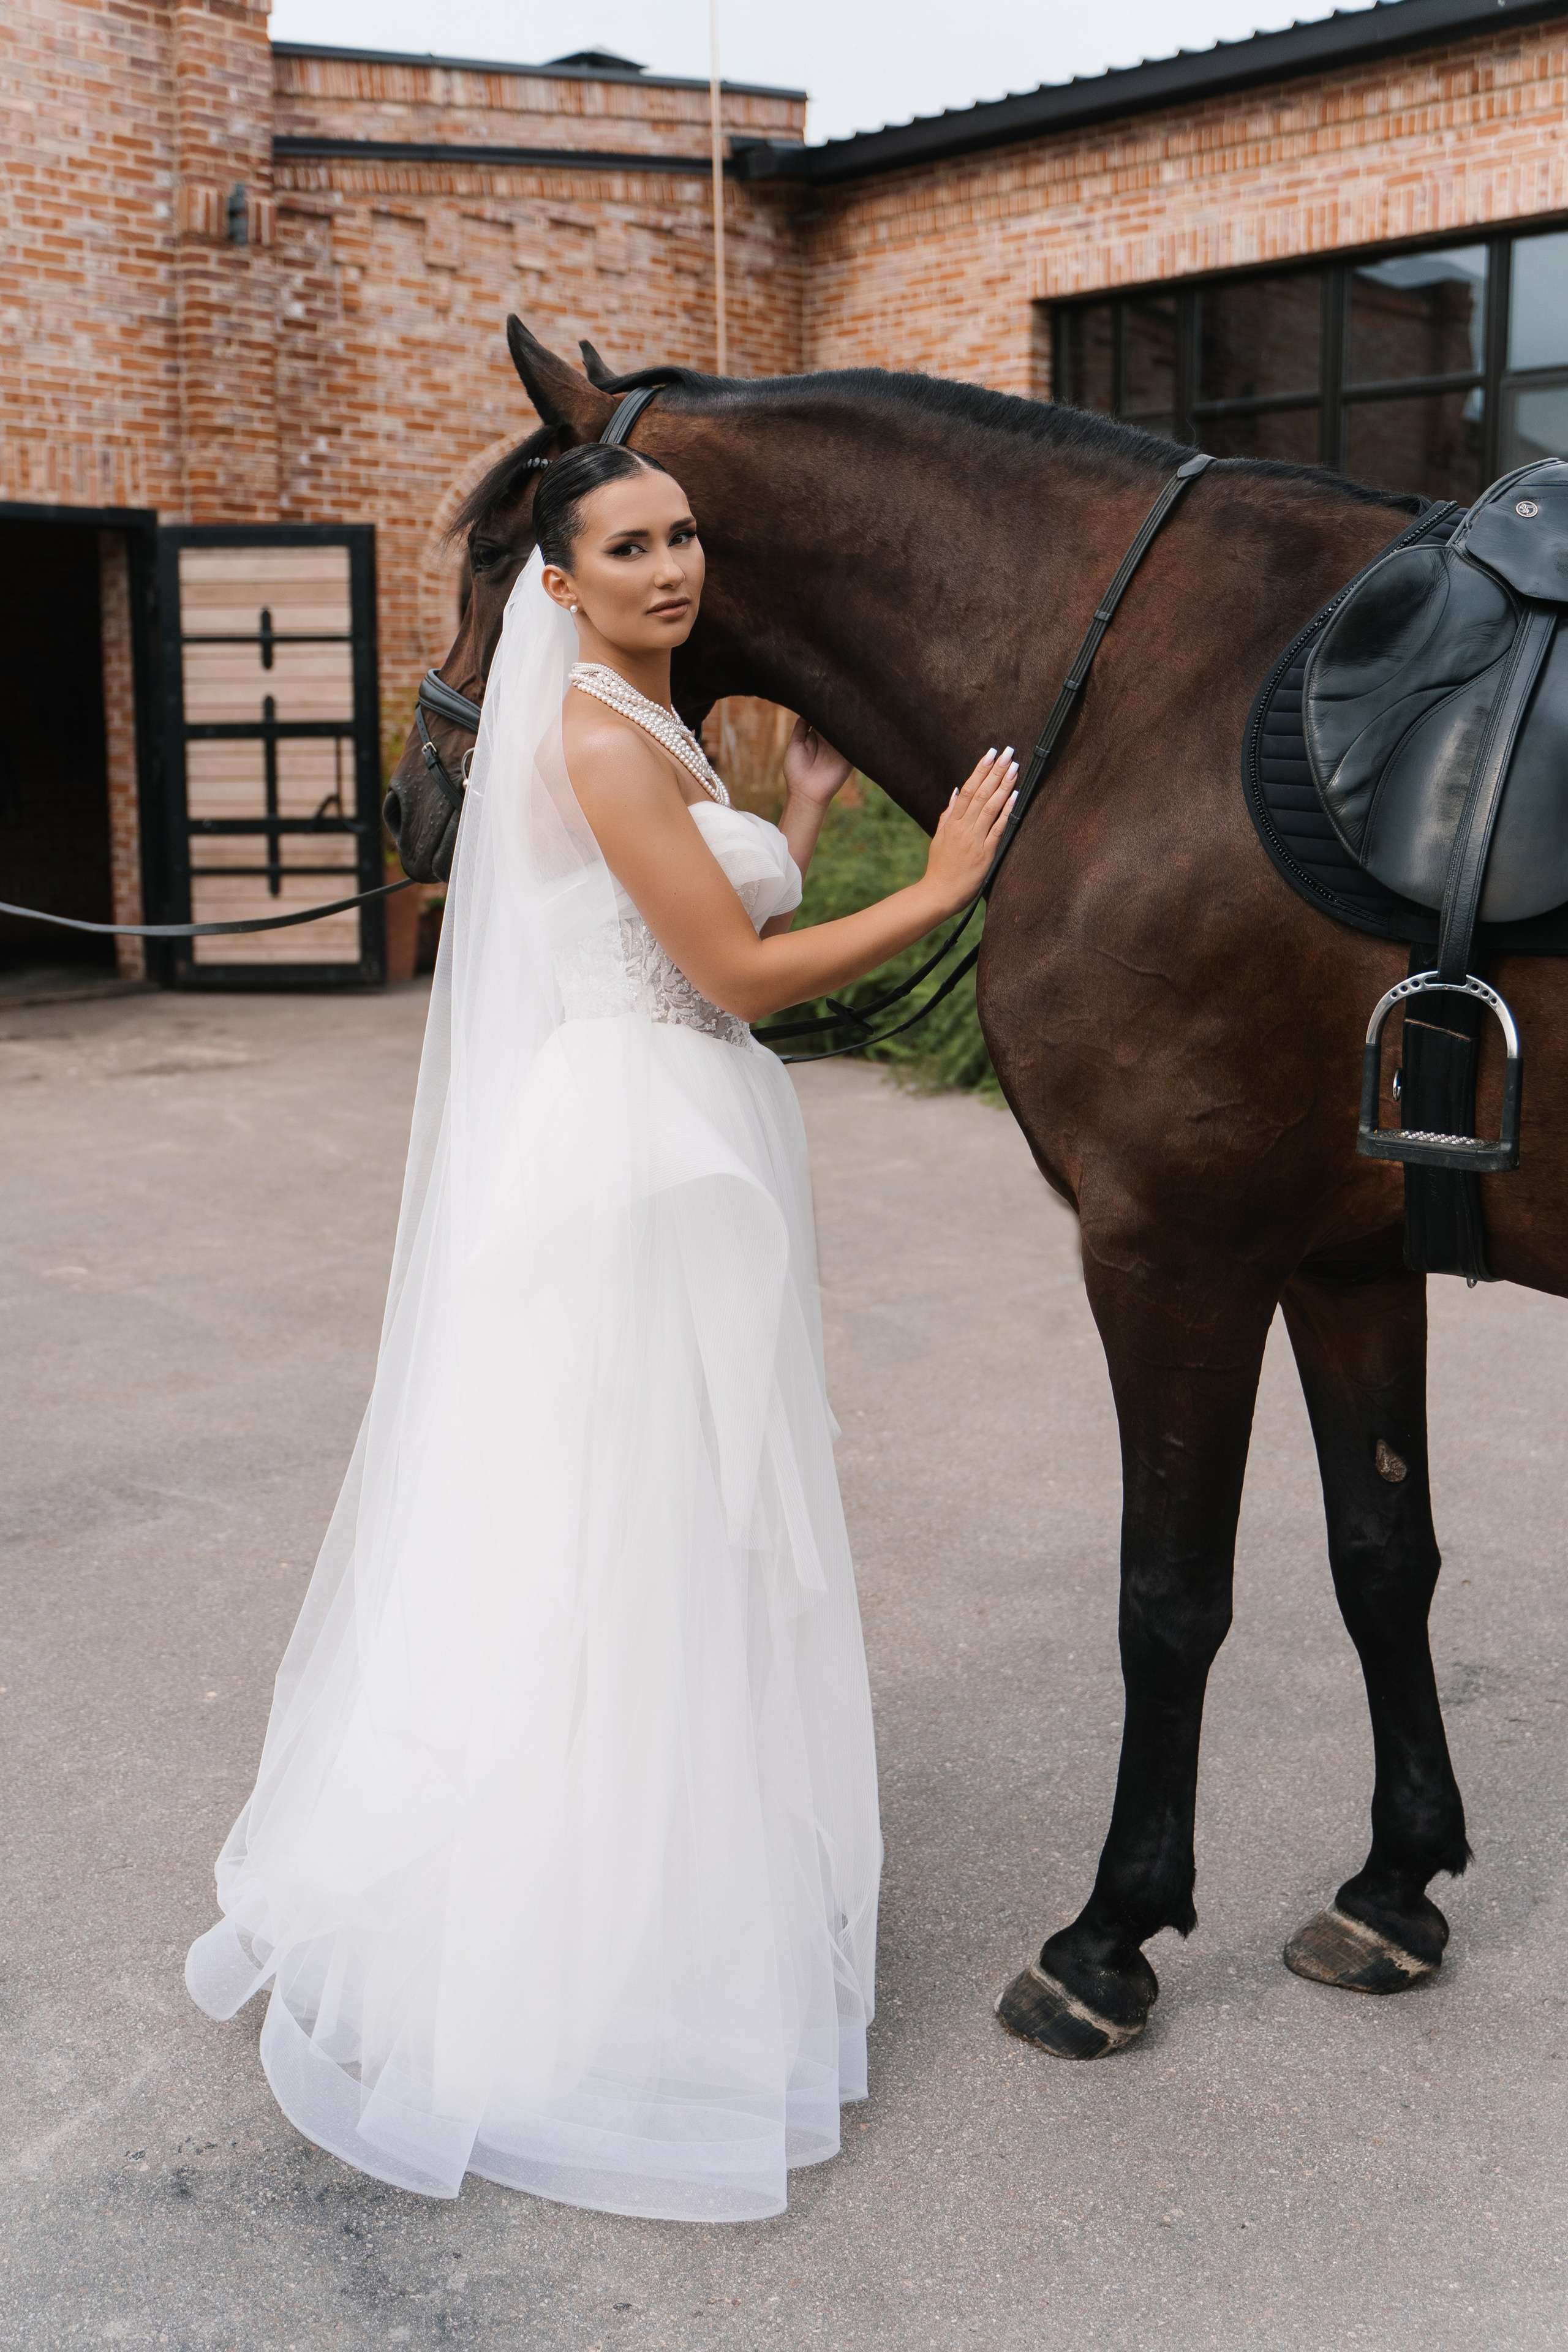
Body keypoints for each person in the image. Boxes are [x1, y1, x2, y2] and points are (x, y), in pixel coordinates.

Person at [185, 441, 1018, 2222]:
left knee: (681, 1519)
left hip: (685, 1130)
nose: (670, 567)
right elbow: (727, 977)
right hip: (635, 1162)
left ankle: (664, 1878)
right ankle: (569, 1950)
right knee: (618, 1522)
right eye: (627, 547)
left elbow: (709, 909)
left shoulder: (666, 736)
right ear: (557, 586)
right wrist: (938, 888)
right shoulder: (580, 738)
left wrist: (793, 811)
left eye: (684, 536)